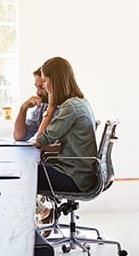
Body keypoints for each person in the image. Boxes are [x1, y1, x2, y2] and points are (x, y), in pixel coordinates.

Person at [35, 57, 98, 194]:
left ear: (54, 81)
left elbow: (40, 141)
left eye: (45, 81)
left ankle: (38, 209)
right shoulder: (80, 102)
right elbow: (73, 146)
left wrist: (51, 107)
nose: (44, 86)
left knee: (25, 174)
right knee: (31, 170)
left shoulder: (70, 107)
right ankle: (40, 208)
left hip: (74, 176)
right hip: (82, 175)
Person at [14, 67, 49, 141]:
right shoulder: (42, 107)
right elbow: (19, 136)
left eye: (42, 87)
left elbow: (42, 141)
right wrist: (23, 108)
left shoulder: (67, 107)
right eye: (37, 87)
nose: (38, 92)